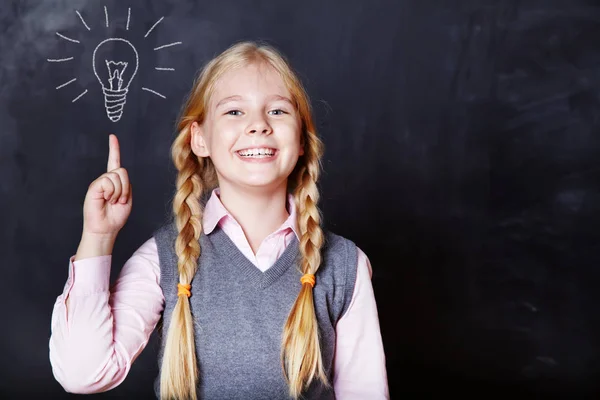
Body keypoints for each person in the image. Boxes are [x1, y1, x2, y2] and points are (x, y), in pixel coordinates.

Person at [49, 41, 389, 400]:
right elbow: (83, 374)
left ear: (301, 138)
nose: (258, 125)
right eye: (233, 112)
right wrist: (98, 237)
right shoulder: (164, 258)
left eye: (277, 111)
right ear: (199, 139)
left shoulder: (344, 265)